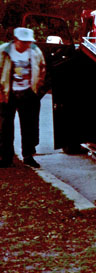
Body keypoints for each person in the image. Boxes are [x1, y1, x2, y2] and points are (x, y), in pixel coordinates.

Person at [0, 27, 46, 168]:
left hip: (28, 93)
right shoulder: (3, 51)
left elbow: (43, 69)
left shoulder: (35, 51)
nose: (27, 44)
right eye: (23, 42)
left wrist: (38, 91)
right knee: (4, 127)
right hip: (8, 93)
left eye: (28, 42)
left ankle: (28, 156)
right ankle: (6, 157)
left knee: (30, 127)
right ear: (16, 40)